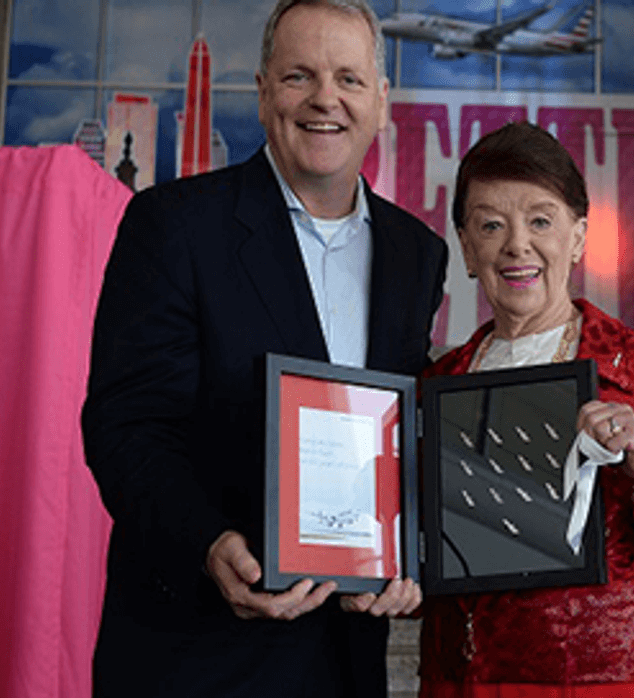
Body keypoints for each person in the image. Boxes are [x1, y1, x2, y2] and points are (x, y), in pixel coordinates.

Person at [81, 1, 447, 696]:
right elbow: (125, 425)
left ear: (380, 100)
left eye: (348, 78)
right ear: (261, 89)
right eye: (298, 77)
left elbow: (404, 434)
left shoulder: (415, 253)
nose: (324, 100)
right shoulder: (174, 226)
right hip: (194, 654)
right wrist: (208, 545)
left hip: (343, 659)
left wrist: (415, 558)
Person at [418, 122, 634, 698]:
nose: (517, 244)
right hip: (462, 681)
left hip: (601, 684)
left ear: (577, 237)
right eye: (491, 225)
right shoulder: (440, 384)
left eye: (541, 221)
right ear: (467, 248)